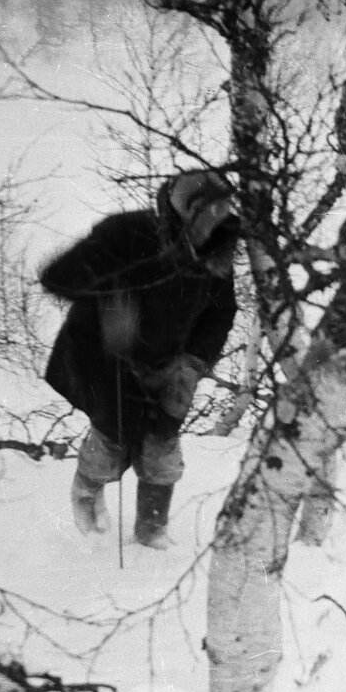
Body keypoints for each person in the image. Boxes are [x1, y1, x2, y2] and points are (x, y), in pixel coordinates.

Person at [40, 171, 240, 548]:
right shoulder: (127, 233)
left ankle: (151, 534)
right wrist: (111, 301)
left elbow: (221, 311)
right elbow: (57, 277)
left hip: (169, 364)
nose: (215, 220)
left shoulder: (218, 251)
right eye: (205, 212)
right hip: (104, 357)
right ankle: (87, 503)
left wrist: (194, 362)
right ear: (183, 212)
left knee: (162, 442)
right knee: (113, 435)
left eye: (222, 209)